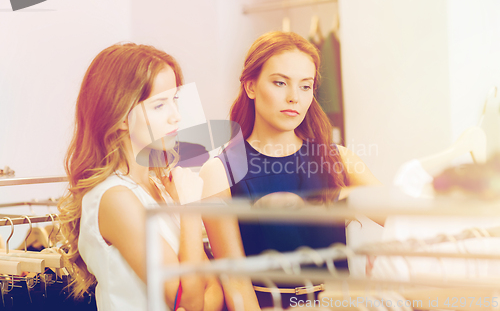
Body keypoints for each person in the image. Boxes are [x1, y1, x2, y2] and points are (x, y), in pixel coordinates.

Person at [199, 31, 381, 310]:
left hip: (337, 302)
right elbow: (235, 280)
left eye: (305, 86)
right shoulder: (219, 171)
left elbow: (399, 216)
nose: (294, 97)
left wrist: (385, 247)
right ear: (250, 86)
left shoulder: (339, 157)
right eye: (280, 83)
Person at [58, 43, 224, 311]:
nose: (176, 117)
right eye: (159, 106)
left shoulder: (159, 186)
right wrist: (190, 209)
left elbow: (213, 291)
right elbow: (190, 300)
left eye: (175, 100)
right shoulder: (115, 197)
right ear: (121, 116)